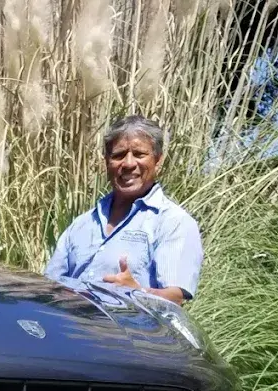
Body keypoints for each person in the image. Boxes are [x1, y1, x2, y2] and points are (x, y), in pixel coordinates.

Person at [45, 114, 202, 305]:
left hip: (132, 333)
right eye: (118, 155)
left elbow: (175, 299)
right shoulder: (83, 223)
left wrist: (137, 292)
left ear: (158, 161)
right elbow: (50, 284)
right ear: (106, 162)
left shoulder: (173, 222)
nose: (128, 164)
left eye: (139, 154)